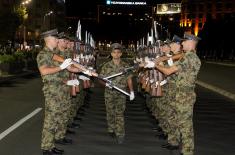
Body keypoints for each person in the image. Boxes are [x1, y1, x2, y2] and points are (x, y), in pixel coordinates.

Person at [145, 33, 201, 155]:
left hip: (184, 96)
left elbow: (169, 71)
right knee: (176, 121)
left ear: (191, 42)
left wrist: (155, 65)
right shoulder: (187, 56)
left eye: (184, 42)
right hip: (179, 95)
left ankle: (187, 151)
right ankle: (175, 143)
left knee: (185, 126)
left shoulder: (190, 58)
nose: (182, 43)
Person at [37, 29, 74, 155]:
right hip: (52, 92)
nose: (57, 40)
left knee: (57, 118)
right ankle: (46, 148)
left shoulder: (53, 54)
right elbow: (44, 71)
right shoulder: (43, 54)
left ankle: (51, 145)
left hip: (60, 90)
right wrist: (60, 67)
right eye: (55, 39)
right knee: (50, 120)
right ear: (48, 39)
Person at [100, 43, 134, 144]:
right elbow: (100, 79)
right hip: (109, 92)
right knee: (110, 112)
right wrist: (106, 85)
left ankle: (120, 134)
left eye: (118, 52)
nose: (116, 54)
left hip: (121, 92)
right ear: (111, 54)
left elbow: (129, 79)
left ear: (121, 54)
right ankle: (111, 128)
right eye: (114, 52)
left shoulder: (125, 66)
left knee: (119, 113)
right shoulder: (106, 66)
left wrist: (131, 91)